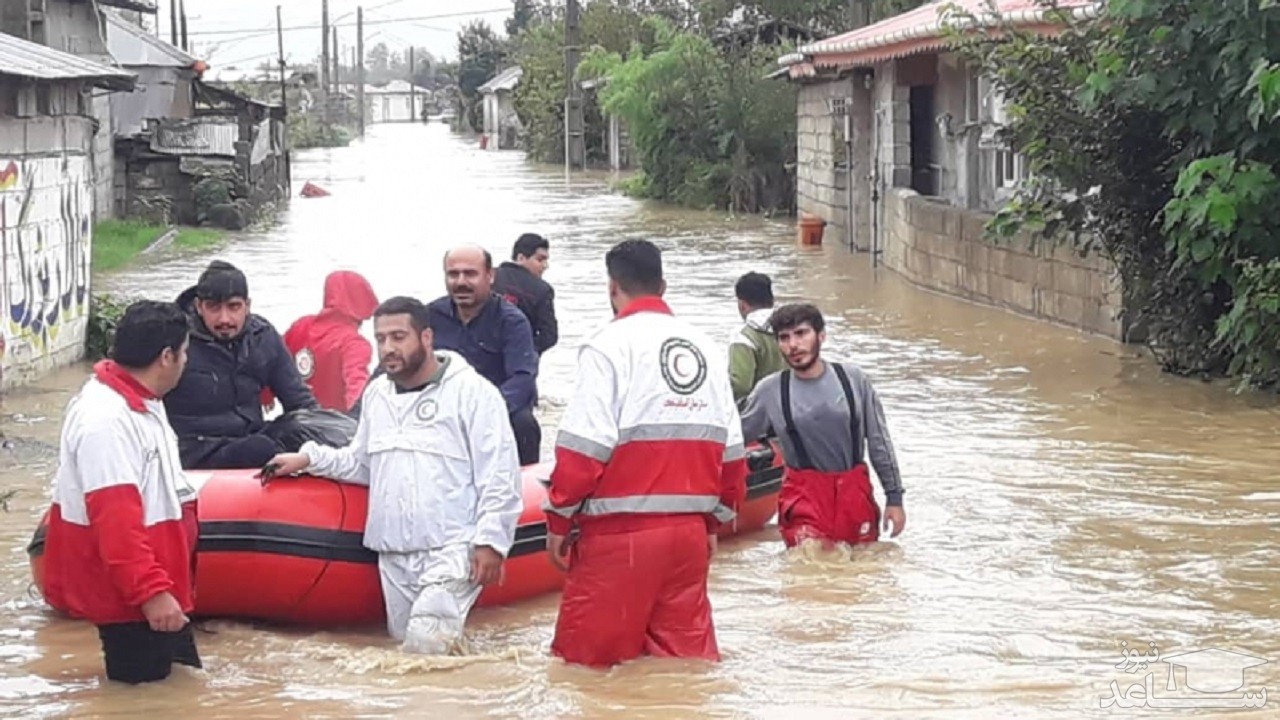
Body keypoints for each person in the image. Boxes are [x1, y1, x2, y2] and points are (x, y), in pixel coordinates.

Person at [264, 296, 522, 654]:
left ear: (427, 337)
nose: (388, 348)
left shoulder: (474, 393)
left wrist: (492, 541)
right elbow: (362, 463)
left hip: (452, 546)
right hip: (394, 552)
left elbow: (499, 474)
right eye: (381, 339)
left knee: (424, 646)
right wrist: (308, 459)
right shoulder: (377, 396)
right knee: (409, 661)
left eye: (399, 337)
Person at [543, 239, 747, 669]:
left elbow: (583, 449)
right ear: (664, 286)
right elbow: (733, 454)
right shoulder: (705, 348)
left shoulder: (608, 346)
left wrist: (559, 520)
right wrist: (713, 520)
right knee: (686, 669)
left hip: (620, 538)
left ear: (612, 287)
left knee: (586, 671)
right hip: (689, 539)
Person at [43, 300, 203, 684]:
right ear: (166, 356)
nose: (185, 362)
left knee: (182, 688)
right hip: (133, 600)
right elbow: (116, 523)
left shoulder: (144, 403)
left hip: (157, 584)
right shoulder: (107, 421)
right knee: (142, 699)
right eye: (183, 353)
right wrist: (151, 594)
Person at [739, 303, 906, 549]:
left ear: (821, 336)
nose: (793, 345)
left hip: (855, 498)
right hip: (803, 501)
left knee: (859, 574)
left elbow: (879, 440)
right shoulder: (770, 391)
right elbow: (733, 437)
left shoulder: (853, 379)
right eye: (784, 338)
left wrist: (894, 498)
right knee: (810, 569)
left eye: (801, 333)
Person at [165, 260, 318, 470]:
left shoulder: (263, 336)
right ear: (199, 307)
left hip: (252, 436)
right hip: (195, 447)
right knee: (259, 449)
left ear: (247, 305)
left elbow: (299, 400)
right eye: (214, 308)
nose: (224, 318)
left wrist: (318, 436)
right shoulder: (174, 340)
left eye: (234, 307)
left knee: (313, 429)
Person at [428, 245, 541, 465]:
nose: (460, 282)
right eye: (453, 274)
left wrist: (482, 413)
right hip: (440, 409)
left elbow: (523, 378)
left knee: (525, 423)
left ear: (490, 276)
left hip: (497, 410)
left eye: (470, 273)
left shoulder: (512, 321)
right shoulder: (430, 316)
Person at [278, 270, 380, 414]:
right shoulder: (354, 343)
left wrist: (266, 396)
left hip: (297, 420)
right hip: (336, 426)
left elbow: (273, 360)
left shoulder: (301, 326)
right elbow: (357, 383)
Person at [493, 233, 558, 355]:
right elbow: (549, 336)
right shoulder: (542, 290)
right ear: (521, 258)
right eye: (540, 259)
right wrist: (525, 351)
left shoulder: (488, 277)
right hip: (520, 361)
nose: (545, 266)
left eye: (546, 260)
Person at [729, 271, 787, 405]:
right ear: (772, 301)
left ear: (742, 305)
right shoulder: (792, 327)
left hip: (760, 410)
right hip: (793, 406)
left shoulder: (743, 335)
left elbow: (741, 385)